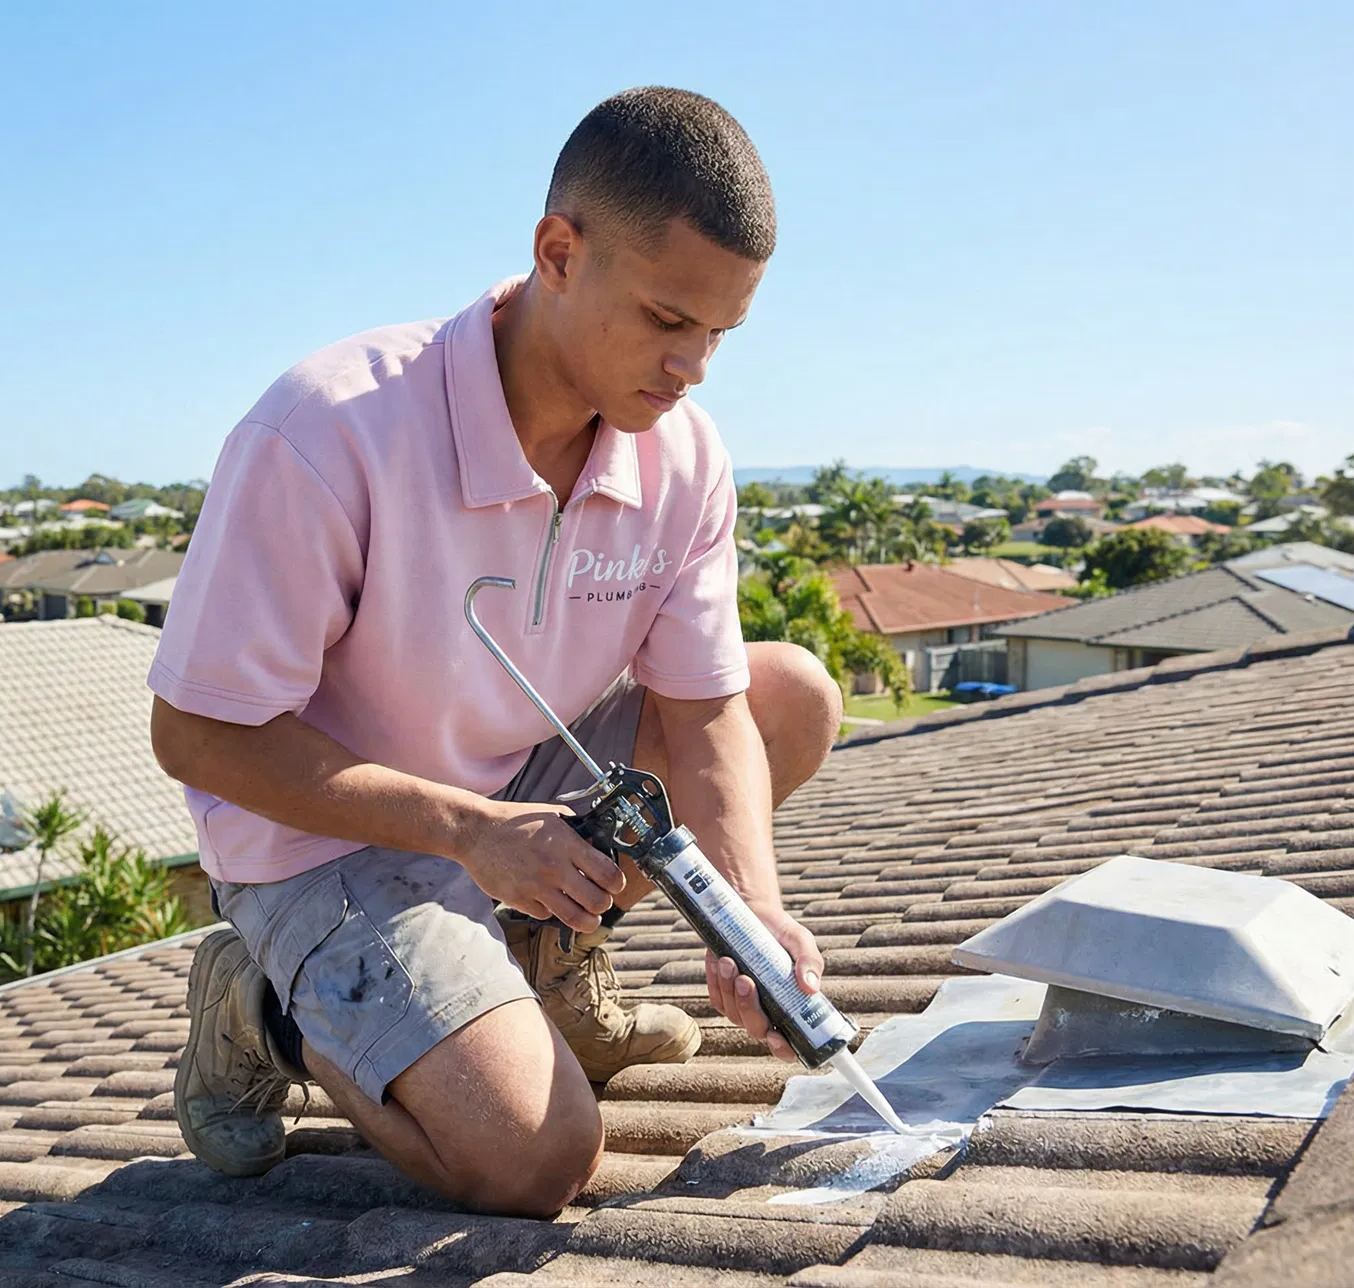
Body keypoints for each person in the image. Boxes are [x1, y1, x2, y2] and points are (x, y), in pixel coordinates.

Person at [148, 86, 842, 1218]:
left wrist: (749, 914)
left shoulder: (684, 455)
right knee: (536, 1161)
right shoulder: (329, 430)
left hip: (519, 791)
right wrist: (467, 831)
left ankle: (538, 958)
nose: (695, 368)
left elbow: (707, 713)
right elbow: (196, 733)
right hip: (325, 840)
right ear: (557, 253)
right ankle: (262, 1008)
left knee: (789, 696)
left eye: (722, 333)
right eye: (669, 320)